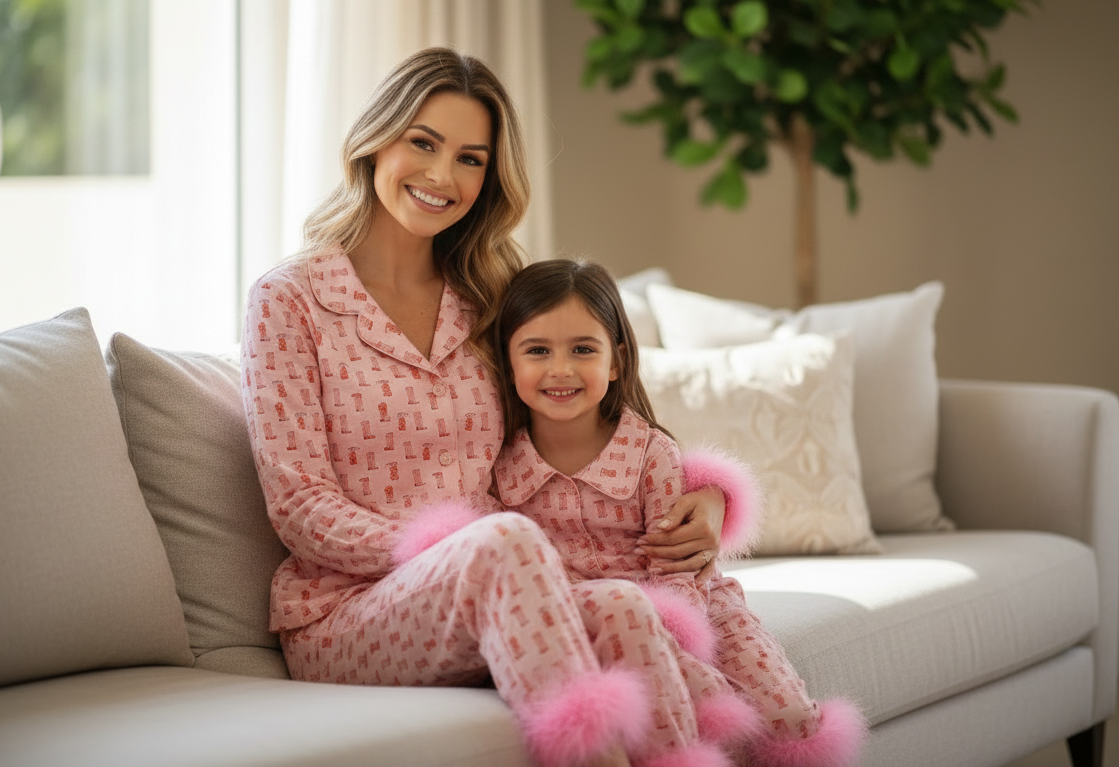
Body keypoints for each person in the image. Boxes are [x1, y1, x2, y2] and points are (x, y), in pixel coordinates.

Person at [240, 47, 738, 767]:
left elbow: (582, 410)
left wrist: (709, 497)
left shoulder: (491, 294)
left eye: (471, 158)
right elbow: (299, 505)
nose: (443, 176)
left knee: (629, 607)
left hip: (507, 586)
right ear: (376, 139)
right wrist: (454, 549)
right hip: (348, 615)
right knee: (501, 541)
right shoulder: (289, 301)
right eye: (423, 143)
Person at [485, 259, 869, 767]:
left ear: (617, 360)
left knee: (787, 718)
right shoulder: (498, 462)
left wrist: (684, 645)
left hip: (693, 608)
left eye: (583, 349)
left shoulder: (649, 453)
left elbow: (682, 573)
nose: (561, 369)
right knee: (696, 715)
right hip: (604, 625)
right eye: (538, 351)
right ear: (508, 363)